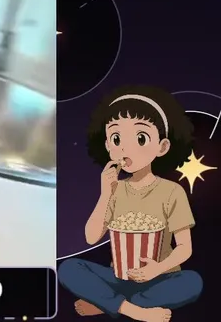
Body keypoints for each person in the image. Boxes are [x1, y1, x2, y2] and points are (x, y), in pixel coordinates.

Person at [58, 86, 203, 322]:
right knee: (69, 269)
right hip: (118, 277)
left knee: (192, 282)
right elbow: (91, 237)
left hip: (160, 278)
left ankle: (109, 303)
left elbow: (184, 248)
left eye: (140, 138)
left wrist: (156, 268)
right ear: (108, 146)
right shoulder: (114, 190)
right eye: (117, 139)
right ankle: (133, 310)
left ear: (162, 147)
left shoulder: (172, 191)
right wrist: (106, 193)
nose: (125, 148)